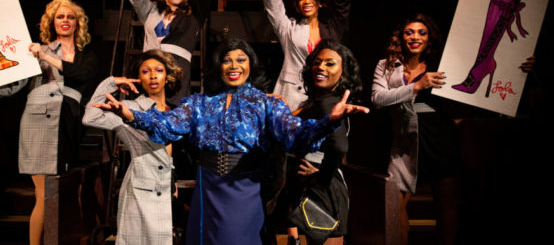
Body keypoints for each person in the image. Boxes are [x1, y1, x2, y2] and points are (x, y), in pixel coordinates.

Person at [94, 37, 369, 245]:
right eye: (227, 60)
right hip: (208, 188)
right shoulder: (199, 103)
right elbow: (167, 126)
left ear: (251, 64)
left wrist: (327, 122)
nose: (234, 66)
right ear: (218, 65)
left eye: (241, 59)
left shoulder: (266, 103)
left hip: (245, 189)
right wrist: (131, 114)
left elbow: (295, 135)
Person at [0, 0, 99, 245]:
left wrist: (44, 54)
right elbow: (11, 87)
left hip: (68, 124)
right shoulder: (35, 53)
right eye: (59, 17)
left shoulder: (85, 56)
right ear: (52, 22)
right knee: (44, 195)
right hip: (38, 122)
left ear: (78, 23)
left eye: (70, 17)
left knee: (63, 193)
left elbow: (79, 74)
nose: (65, 21)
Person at [370, 13, 457, 245]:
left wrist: (521, 70)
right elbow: (378, 99)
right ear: (401, 37)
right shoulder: (386, 66)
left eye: (422, 32)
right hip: (403, 143)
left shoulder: (443, 64)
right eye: (409, 32)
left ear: (430, 38)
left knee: (446, 204)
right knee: (394, 206)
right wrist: (417, 86)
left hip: (439, 138)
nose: (415, 37)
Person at [83, 50, 183, 244]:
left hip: (168, 188)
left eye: (159, 70)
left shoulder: (176, 110)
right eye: (146, 71)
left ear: (167, 76)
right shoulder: (129, 107)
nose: (153, 75)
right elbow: (90, 117)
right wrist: (110, 83)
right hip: (141, 188)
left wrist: (173, 183)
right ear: (138, 78)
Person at [286, 39, 363, 245]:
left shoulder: (329, 102)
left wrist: (320, 177)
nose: (321, 67)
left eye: (330, 63)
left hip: (324, 190)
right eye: (317, 62)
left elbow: (339, 146)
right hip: (312, 187)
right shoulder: (318, 101)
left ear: (344, 72)